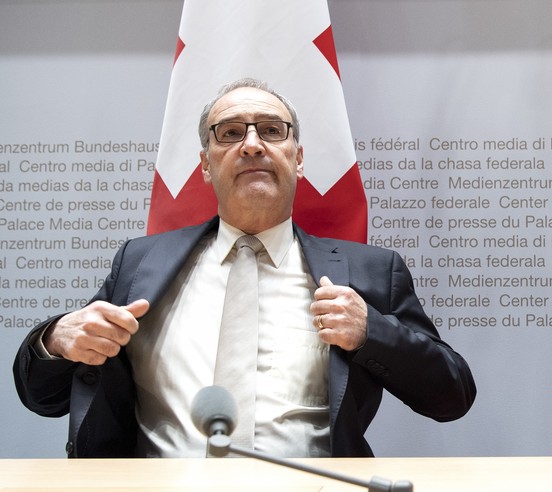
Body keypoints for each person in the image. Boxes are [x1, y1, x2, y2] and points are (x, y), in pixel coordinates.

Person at [13, 77, 476, 459]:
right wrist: (55, 341)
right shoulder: (140, 262)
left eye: (272, 131)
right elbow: (42, 396)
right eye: (230, 133)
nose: (252, 145)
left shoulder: (372, 270)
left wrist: (371, 331)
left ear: (298, 157)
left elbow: (451, 396)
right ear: (205, 166)